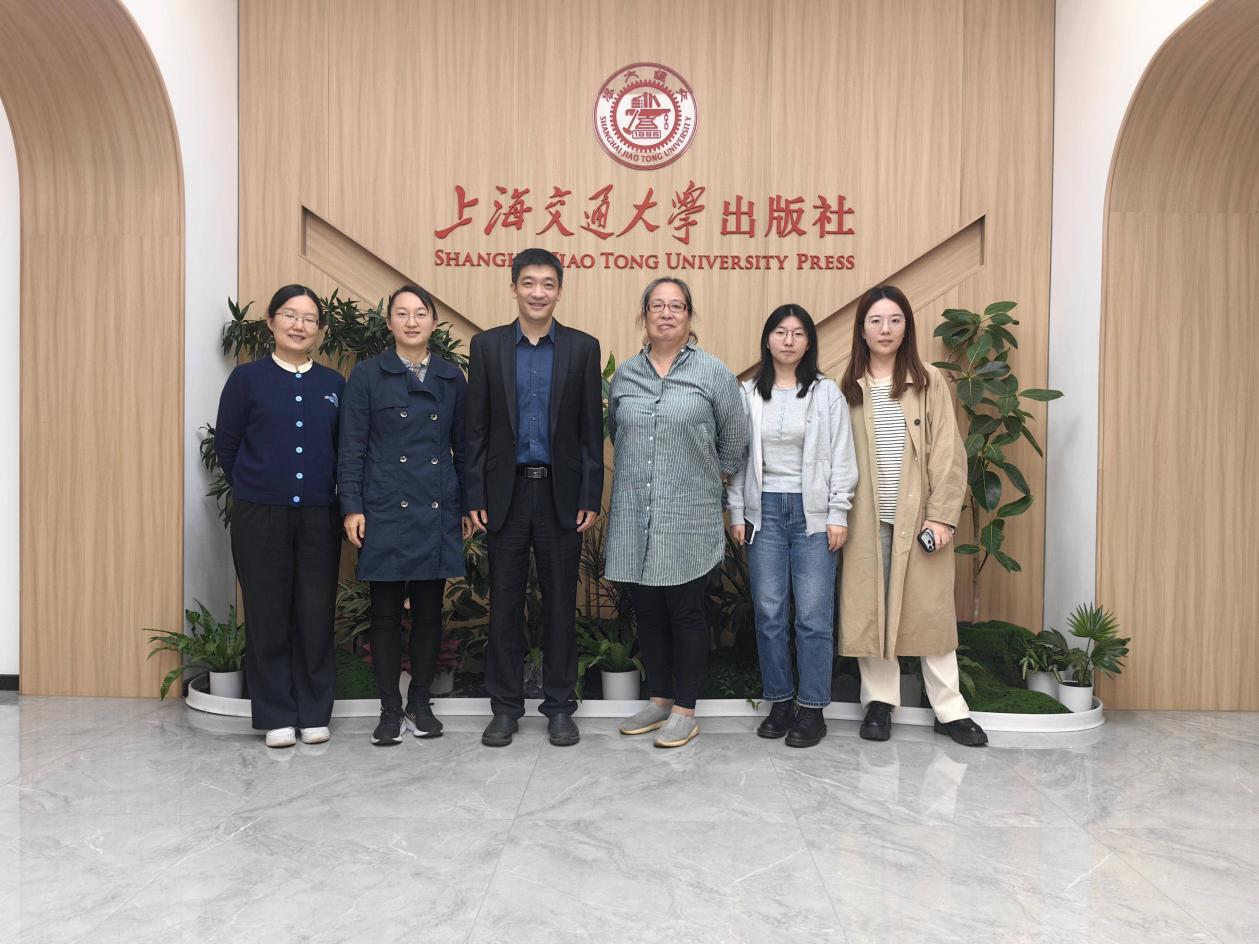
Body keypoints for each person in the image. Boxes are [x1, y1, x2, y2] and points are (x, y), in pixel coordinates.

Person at [465, 248, 603, 747]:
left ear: (559, 291)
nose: (538, 292)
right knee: (504, 603)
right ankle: (505, 708)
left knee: (561, 604)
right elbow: (476, 429)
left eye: (547, 284)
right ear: (514, 288)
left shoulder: (582, 349)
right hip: (505, 493)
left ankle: (560, 707)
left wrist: (590, 493)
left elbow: (591, 431)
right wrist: (474, 492)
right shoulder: (487, 347)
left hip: (560, 496)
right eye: (528, 283)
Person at [838, 284, 987, 746]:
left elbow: (948, 452)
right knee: (871, 608)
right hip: (865, 519)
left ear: (907, 327)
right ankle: (879, 703)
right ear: (862, 330)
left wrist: (941, 516)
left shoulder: (928, 380)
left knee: (930, 612)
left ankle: (949, 709)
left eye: (895, 320)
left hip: (919, 519)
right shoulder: (848, 387)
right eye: (875, 321)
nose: (885, 329)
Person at [606, 277, 747, 749]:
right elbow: (617, 432)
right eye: (657, 306)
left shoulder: (713, 373)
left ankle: (685, 710)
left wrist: (703, 479)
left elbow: (734, 441)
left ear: (689, 315)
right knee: (647, 611)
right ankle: (659, 699)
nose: (666, 313)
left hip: (688, 514)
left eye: (677, 306)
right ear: (644, 314)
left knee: (685, 611)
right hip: (635, 512)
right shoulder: (626, 375)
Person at [339, 284, 472, 746]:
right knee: (385, 614)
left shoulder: (452, 377)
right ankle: (389, 709)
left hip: (436, 505)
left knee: (431, 612)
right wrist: (352, 506)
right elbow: (351, 448)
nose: (411, 321)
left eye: (420, 313)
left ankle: (420, 703)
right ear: (389, 321)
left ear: (434, 322)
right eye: (402, 313)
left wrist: (466, 504)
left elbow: (464, 448)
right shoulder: (367, 375)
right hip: (384, 507)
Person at [214, 284, 345, 749]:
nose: (298, 325)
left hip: (319, 516)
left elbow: (344, 450)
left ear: (320, 330)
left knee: (315, 613)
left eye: (309, 319)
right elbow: (227, 446)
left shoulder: (333, 385)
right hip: (260, 515)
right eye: (289, 315)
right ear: (270, 322)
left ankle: (314, 712)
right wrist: (257, 485)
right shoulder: (246, 380)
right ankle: (275, 716)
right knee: (266, 613)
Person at [726, 304, 857, 748]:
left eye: (798, 333)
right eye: (780, 332)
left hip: (812, 513)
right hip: (763, 512)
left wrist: (838, 513)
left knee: (814, 616)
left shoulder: (825, 393)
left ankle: (812, 708)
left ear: (808, 342)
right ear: (767, 340)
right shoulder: (747, 393)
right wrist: (737, 510)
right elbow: (738, 457)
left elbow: (842, 455)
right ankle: (780, 701)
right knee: (769, 612)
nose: (788, 340)